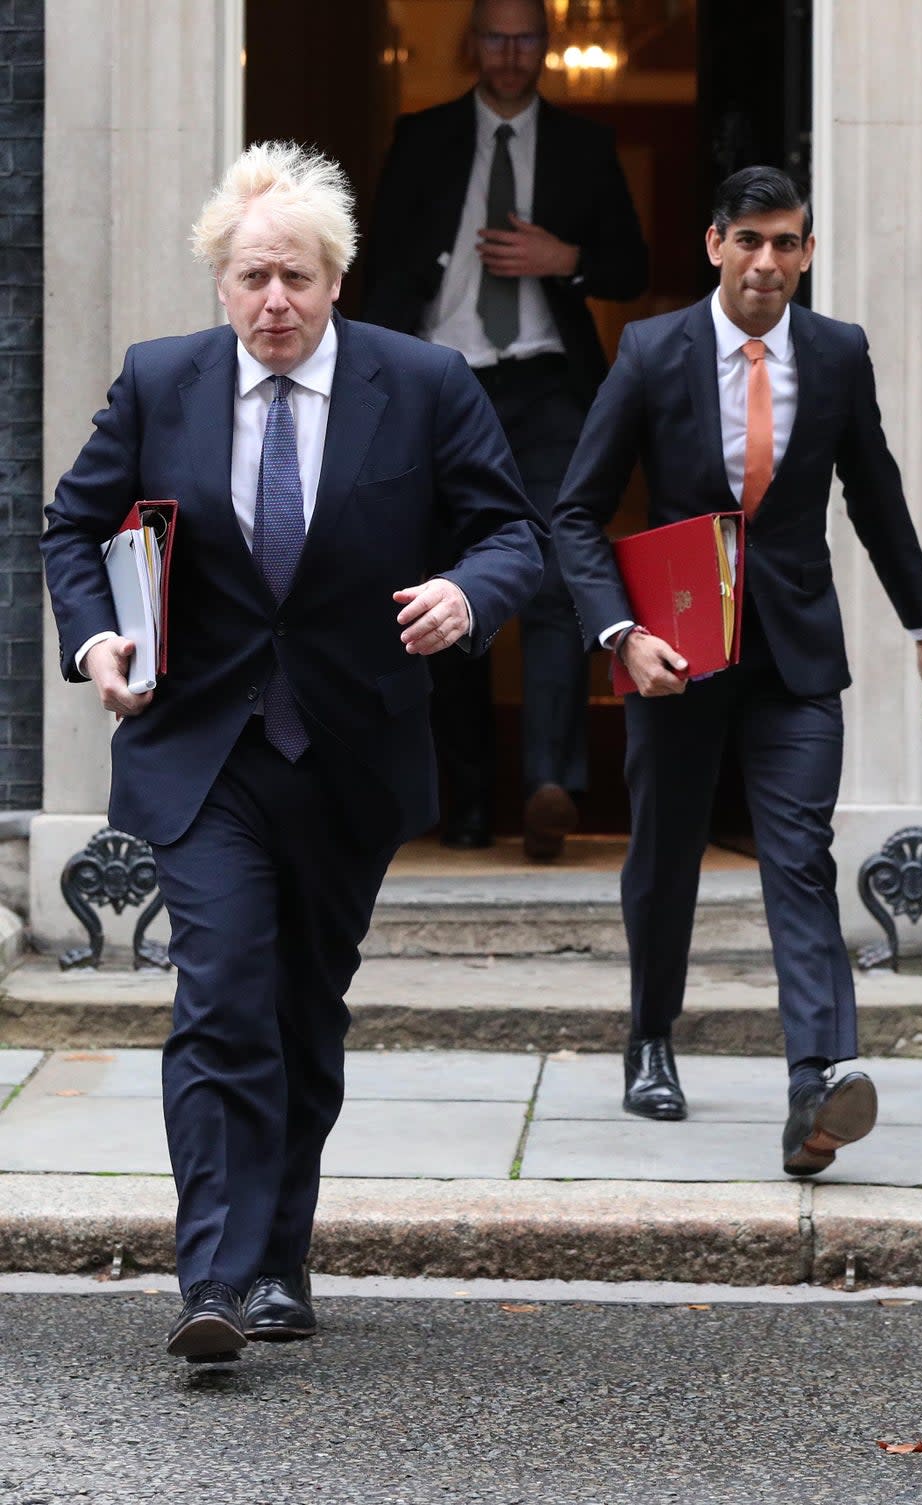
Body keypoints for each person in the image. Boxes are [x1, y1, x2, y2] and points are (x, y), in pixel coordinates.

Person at [41, 141, 545, 1361]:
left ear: (337, 283)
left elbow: (510, 532)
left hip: (347, 750)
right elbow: (75, 522)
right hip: (203, 746)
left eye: (300, 279)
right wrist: (96, 639)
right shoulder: (162, 384)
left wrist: (466, 597)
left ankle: (279, 1258)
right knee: (221, 996)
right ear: (221, 282)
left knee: (304, 1008)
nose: (277, 301)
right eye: (255, 276)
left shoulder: (419, 383)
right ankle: (211, 1278)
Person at [552, 166, 922, 1175]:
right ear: (713, 245)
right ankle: (650, 1036)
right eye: (749, 241)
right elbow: (574, 512)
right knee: (665, 851)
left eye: (786, 243)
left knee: (797, 855)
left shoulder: (833, 353)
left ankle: (815, 1085)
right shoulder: (651, 351)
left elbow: (875, 494)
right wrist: (620, 635)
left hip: (794, 655)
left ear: (808, 253)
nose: (767, 262)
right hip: (673, 653)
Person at [362, 0, 648, 859]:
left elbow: (633, 267)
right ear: (472, 44)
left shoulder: (585, 147)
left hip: (547, 385)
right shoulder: (421, 137)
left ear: (547, 48)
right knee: (446, 590)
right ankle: (469, 802)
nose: (512, 53)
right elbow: (379, 271)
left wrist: (568, 260)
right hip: (442, 387)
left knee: (561, 579)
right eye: (497, 36)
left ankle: (548, 788)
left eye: (527, 37)